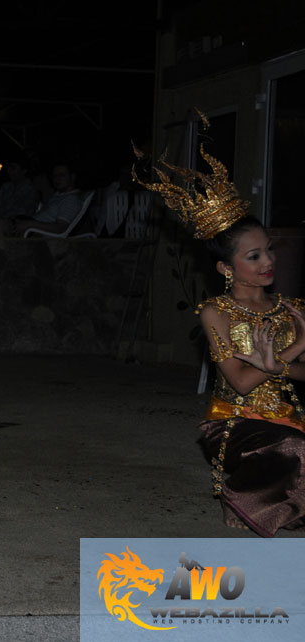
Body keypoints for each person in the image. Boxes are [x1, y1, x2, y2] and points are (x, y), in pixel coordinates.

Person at [136, 137, 305, 537]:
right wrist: (295, 347)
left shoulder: (292, 307)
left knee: (293, 444)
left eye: (268, 251)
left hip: (289, 417)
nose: (268, 262)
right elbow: (242, 382)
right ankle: (240, 491)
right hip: (233, 424)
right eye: (254, 256)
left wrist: (281, 363)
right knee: (293, 449)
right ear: (225, 267)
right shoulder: (217, 312)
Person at [0, 163, 82, 237]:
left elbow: (60, 228)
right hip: (30, 226)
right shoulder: (57, 196)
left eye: (61, 175)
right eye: (55, 176)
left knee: (0, 225)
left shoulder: (71, 200)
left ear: (72, 177)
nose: (57, 179)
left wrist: (30, 224)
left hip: (37, 234)